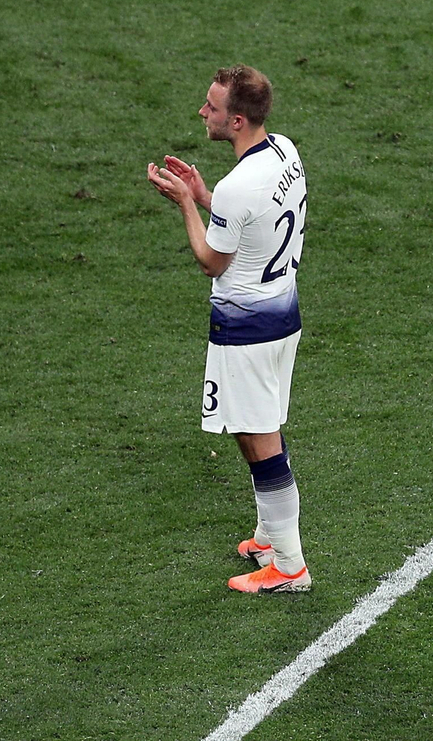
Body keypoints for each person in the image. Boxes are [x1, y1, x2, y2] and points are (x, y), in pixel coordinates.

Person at [147, 65, 313, 593]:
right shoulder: (284, 151)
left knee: (259, 439)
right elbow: (253, 222)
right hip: (281, 314)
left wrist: (184, 206)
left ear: (236, 120)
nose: (203, 112)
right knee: (257, 427)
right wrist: (203, 195)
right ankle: (270, 536)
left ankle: (289, 568)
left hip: (247, 330)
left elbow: (212, 260)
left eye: (212, 107)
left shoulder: (241, 184)